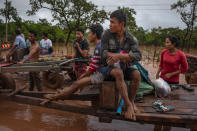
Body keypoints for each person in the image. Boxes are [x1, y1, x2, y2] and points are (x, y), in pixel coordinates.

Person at [42, 24, 104, 104]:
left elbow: (93, 66)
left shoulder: (97, 46)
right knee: (77, 83)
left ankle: (57, 96)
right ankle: (62, 94)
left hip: (99, 73)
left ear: (95, 34)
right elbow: (96, 62)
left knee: (77, 83)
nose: (88, 35)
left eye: (89, 33)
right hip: (92, 70)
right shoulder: (99, 45)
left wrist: (85, 75)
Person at [99, 10, 142, 120]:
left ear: (122, 24)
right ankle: (128, 105)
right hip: (106, 68)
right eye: (110, 22)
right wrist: (115, 56)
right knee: (118, 72)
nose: (110, 24)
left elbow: (138, 55)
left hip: (122, 67)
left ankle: (131, 101)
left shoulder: (131, 38)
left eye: (113, 22)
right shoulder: (106, 34)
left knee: (137, 74)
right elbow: (102, 53)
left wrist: (120, 57)